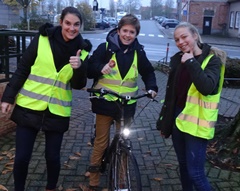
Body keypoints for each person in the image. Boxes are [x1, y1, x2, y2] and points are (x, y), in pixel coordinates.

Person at [0, 6, 92, 191]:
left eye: (76, 24)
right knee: (22, 157)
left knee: (52, 157)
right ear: (61, 22)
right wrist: (8, 97)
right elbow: (23, 68)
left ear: (80, 26)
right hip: (29, 107)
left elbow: (78, 84)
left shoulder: (82, 51)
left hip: (57, 111)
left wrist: (79, 68)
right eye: (68, 23)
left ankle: (51, 188)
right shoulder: (42, 39)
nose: (71, 28)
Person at [80, 14, 158, 191]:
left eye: (132, 32)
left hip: (127, 106)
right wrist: (101, 68)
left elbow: (148, 72)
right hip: (105, 103)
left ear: (136, 34)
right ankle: (93, 180)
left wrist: (152, 87)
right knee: (101, 141)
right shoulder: (105, 48)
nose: (128, 35)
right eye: (125, 31)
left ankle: (122, 180)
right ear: (118, 30)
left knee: (124, 141)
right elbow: (89, 69)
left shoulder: (139, 52)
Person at [156, 22, 226, 191]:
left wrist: (192, 62)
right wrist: (165, 122)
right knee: (183, 166)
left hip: (197, 123)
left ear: (195, 35)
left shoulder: (212, 60)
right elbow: (172, 96)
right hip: (178, 119)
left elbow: (207, 87)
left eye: (184, 36)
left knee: (196, 173)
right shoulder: (178, 60)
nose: (180, 42)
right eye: (177, 39)